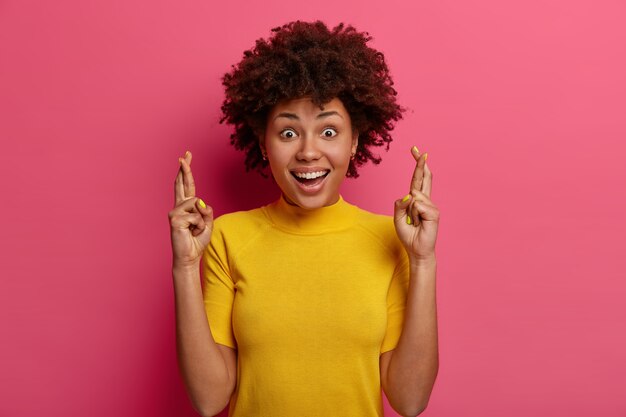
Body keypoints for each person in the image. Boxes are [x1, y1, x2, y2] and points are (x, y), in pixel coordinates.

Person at [169, 20, 440, 417]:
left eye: (329, 132)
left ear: (355, 143)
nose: (309, 152)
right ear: (264, 144)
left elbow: (410, 400)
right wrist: (185, 265)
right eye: (289, 133)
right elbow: (210, 400)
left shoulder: (392, 239)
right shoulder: (226, 237)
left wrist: (423, 261)